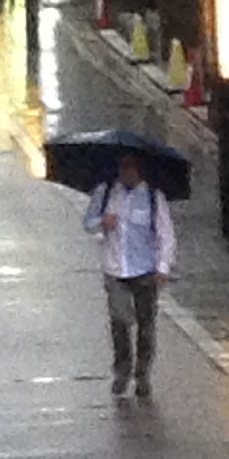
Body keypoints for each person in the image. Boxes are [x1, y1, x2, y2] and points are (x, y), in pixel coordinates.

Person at [83, 153, 175, 397]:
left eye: (132, 169)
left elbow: (165, 233)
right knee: (120, 322)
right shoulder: (106, 193)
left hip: (145, 270)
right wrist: (102, 221)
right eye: (124, 169)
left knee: (146, 326)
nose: (127, 174)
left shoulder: (153, 197)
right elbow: (88, 222)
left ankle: (142, 374)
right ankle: (122, 371)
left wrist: (163, 267)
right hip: (115, 269)